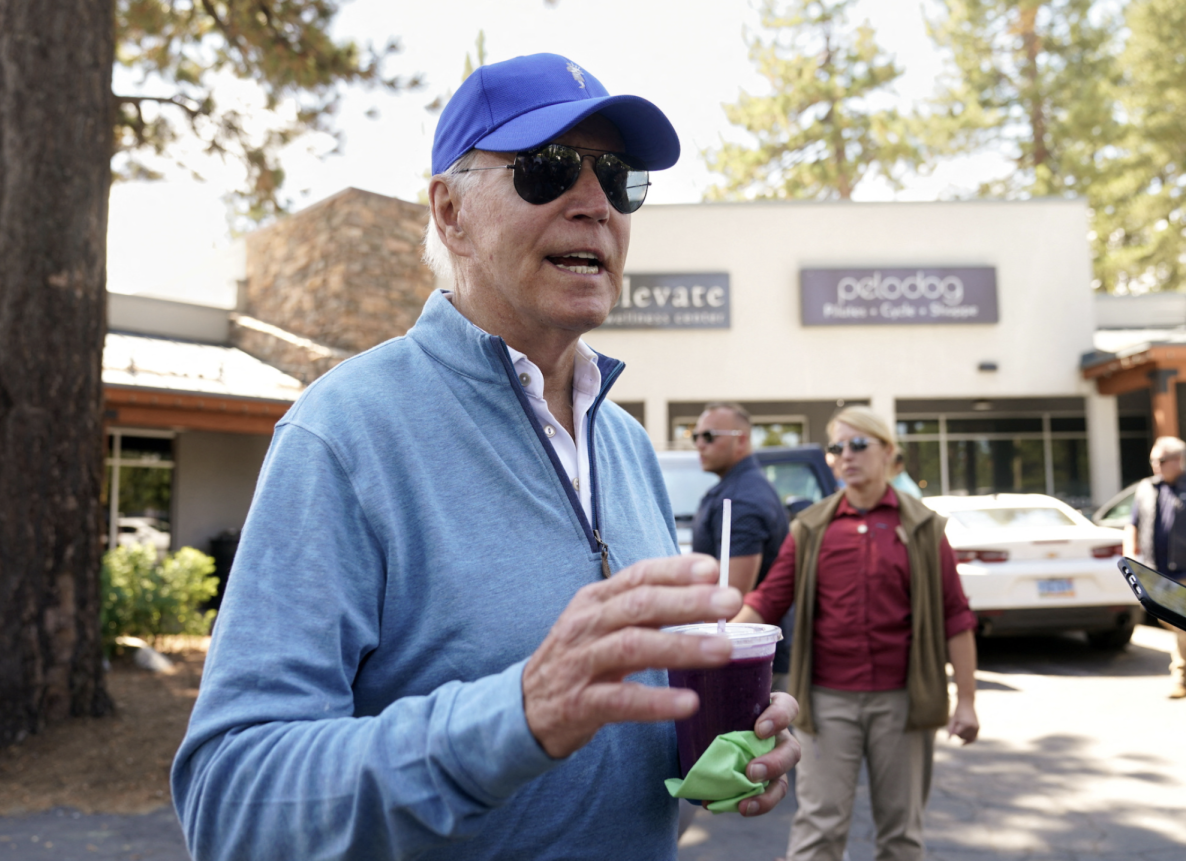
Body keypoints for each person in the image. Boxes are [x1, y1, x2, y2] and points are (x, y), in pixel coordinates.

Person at [171, 53, 801, 861]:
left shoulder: (627, 444)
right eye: (545, 170)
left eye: (617, 176)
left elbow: (614, 738)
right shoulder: (343, 434)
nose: (593, 203)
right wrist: (518, 714)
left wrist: (720, 746)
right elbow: (232, 801)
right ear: (450, 211)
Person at [733, 405, 980, 861]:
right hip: (826, 701)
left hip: (903, 701)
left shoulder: (923, 528)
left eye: (859, 444)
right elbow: (768, 599)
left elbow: (956, 616)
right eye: (836, 447)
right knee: (819, 829)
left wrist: (966, 701)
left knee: (901, 835)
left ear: (888, 451)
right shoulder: (811, 527)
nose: (846, 454)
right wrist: (721, 643)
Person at [691, 402, 789, 595]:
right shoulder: (739, 488)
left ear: (741, 441)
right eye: (696, 437)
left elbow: (730, 600)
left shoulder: (741, 500)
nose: (700, 444)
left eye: (709, 436)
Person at [1124, 436, 1186, 699]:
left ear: (1177, 460)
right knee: (1172, 621)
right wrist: (1129, 555)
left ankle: (1181, 677)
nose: (1155, 466)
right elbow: (1133, 523)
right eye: (1152, 461)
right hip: (1155, 571)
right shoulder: (1146, 488)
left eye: (1160, 460)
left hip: (1184, 571)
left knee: (1182, 622)